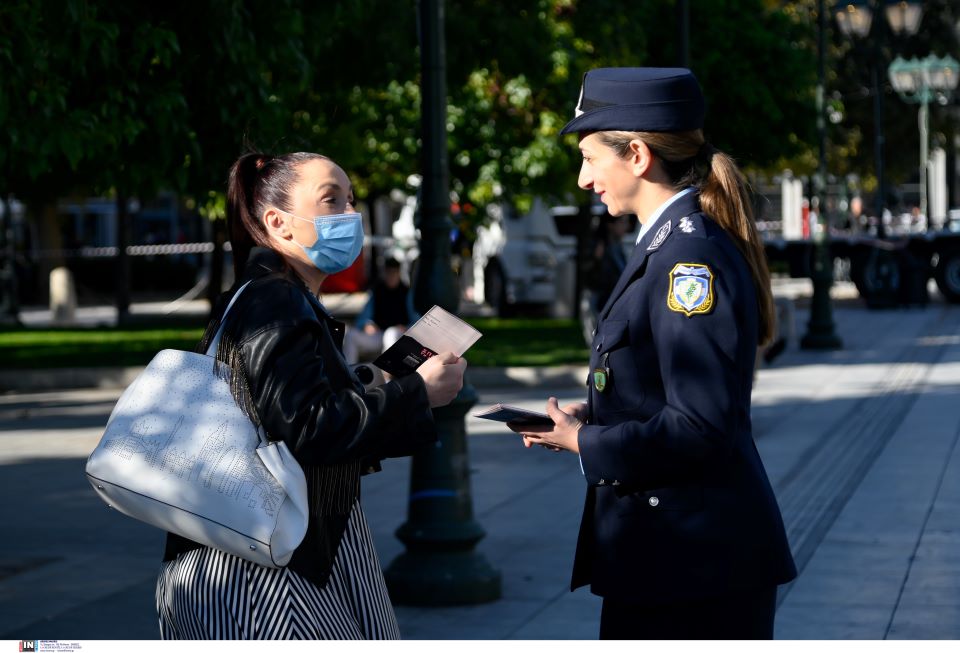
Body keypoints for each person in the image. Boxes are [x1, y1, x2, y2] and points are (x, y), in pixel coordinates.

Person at [509, 67, 797, 640]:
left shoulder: (686, 259)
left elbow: (700, 424)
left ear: (637, 154)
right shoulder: (674, 245)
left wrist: (583, 442)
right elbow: (667, 389)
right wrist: (599, 412)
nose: (584, 178)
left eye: (591, 157)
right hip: (675, 560)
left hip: (694, 568)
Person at [155, 151, 466, 640]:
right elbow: (305, 426)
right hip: (265, 570)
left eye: (351, 200)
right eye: (331, 201)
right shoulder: (274, 297)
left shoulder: (277, 295)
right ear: (278, 222)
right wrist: (416, 394)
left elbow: (283, 405)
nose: (350, 216)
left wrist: (377, 381)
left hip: (279, 548)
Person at [343, 257, 419, 365]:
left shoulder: (406, 292)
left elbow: (416, 321)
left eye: (394, 273)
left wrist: (406, 328)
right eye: (389, 273)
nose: (391, 276)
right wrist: (367, 325)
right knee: (350, 335)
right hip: (378, 335)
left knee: (391, 333)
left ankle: (388, 376)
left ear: (399, 273)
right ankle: (348, 376)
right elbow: (362, 318)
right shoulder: (377, 291)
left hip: (398, 336)